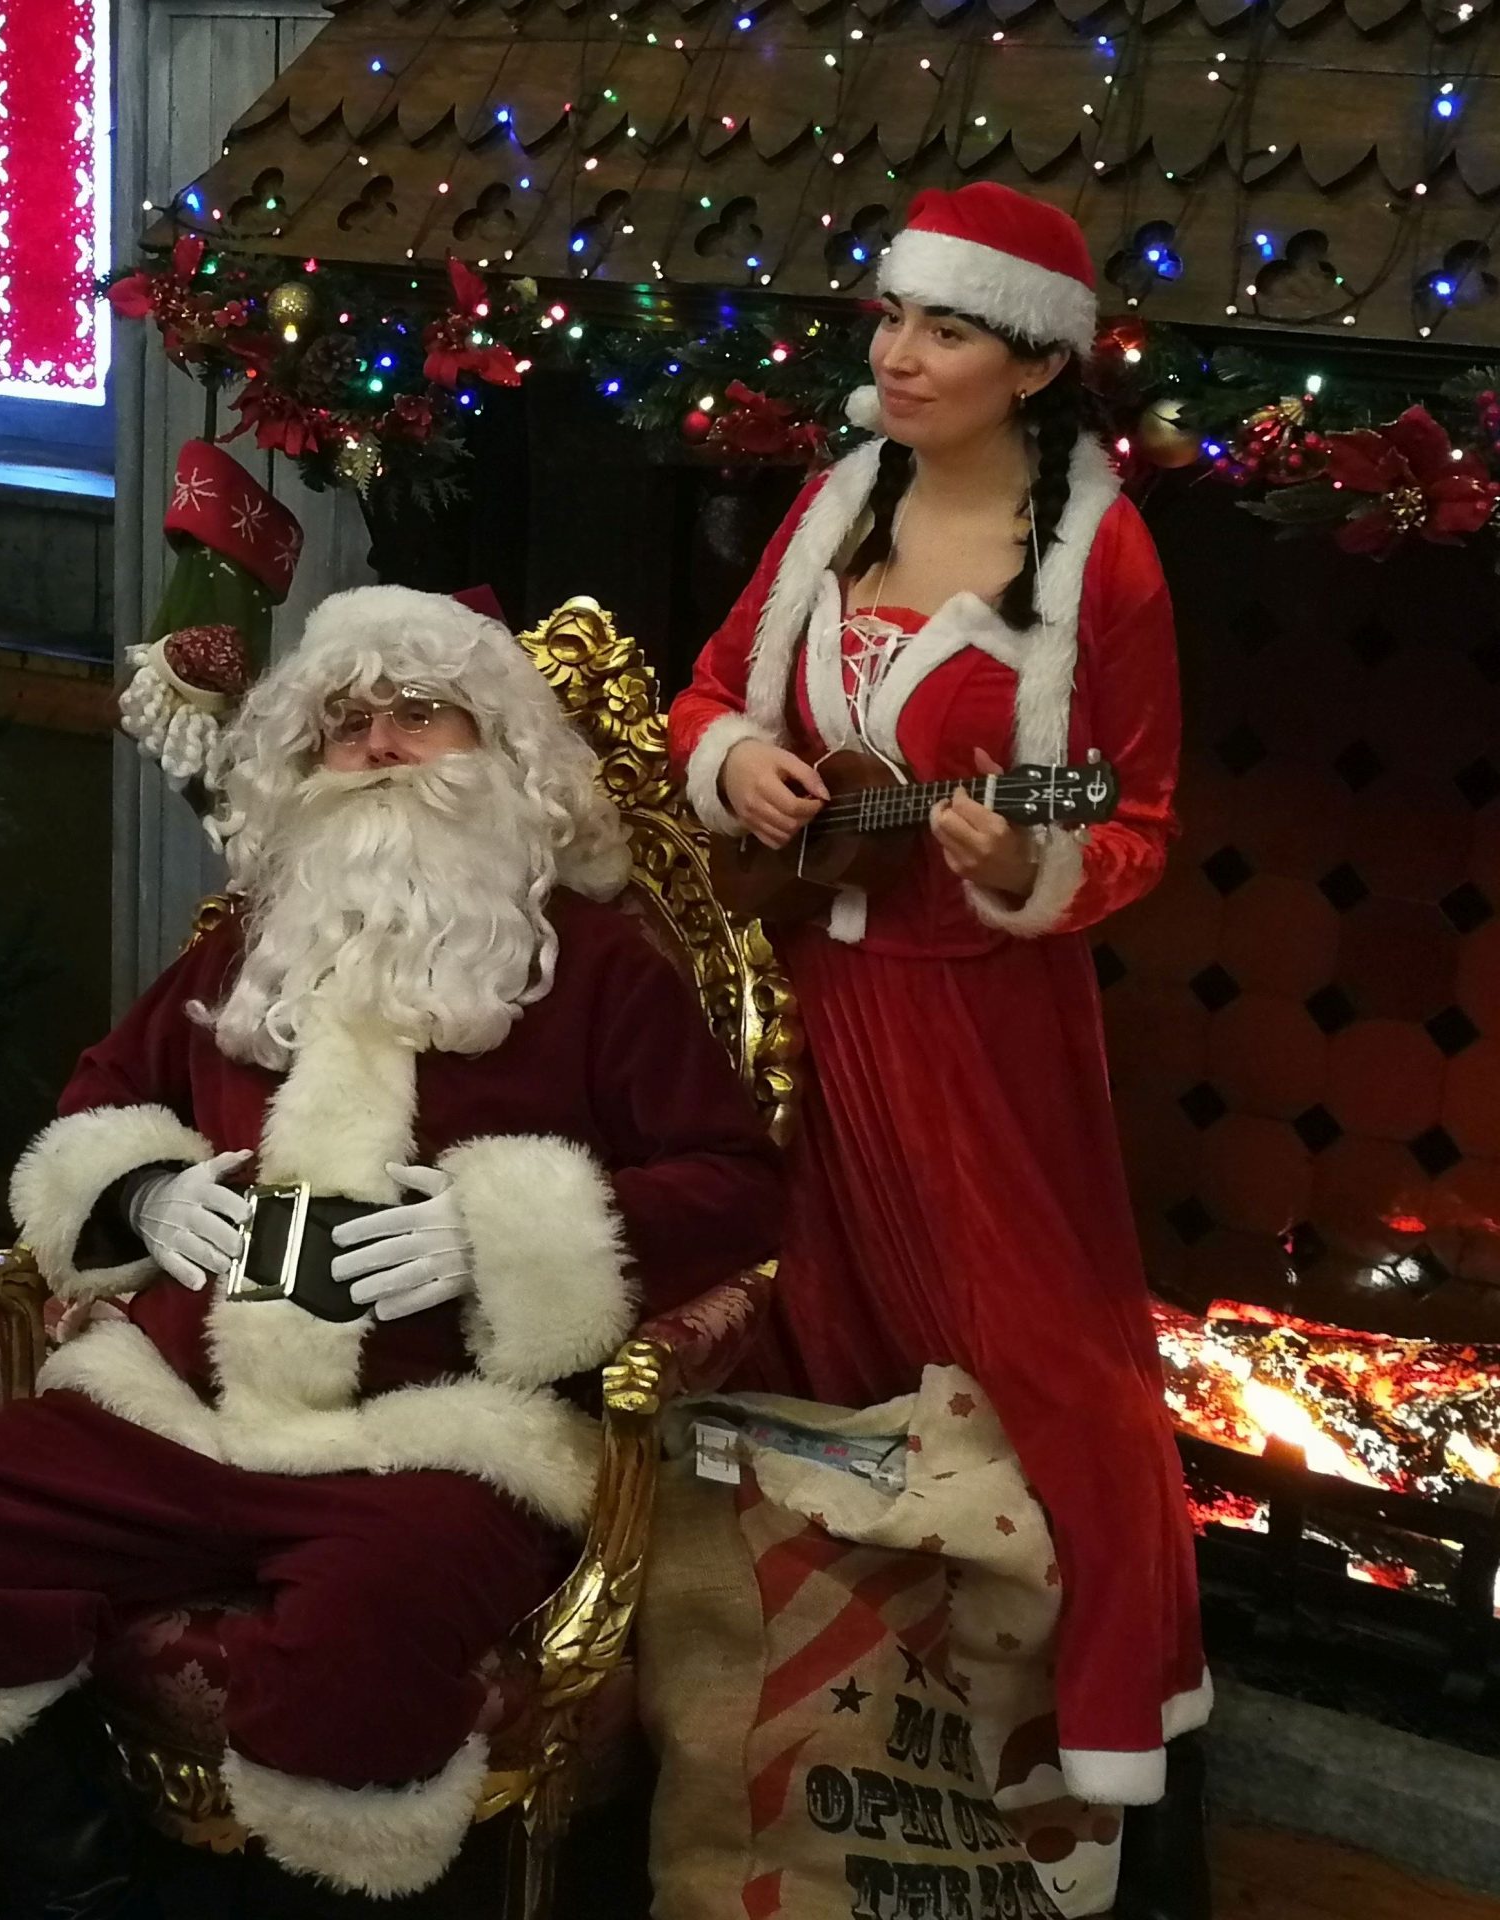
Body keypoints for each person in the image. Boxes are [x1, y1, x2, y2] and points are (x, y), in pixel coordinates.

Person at [0, 584, 785, 1913]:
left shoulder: (600, 969)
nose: (381, 745)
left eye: (421, 714)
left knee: (361, 1637)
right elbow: (100, 1100)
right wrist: (147, 1194)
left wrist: (492, 1230)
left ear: (501, 752)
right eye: (345, 722)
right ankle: (81, 1885)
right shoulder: (246, 946)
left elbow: (735, 1188)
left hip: (439, 1432)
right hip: (182, 1401)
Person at [666, 184, 1211, 1917]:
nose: (896, 359)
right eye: (891, 322)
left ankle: (1094, 1752)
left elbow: (1137, 811)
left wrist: (1025, 856)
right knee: (827, 1339)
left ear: (1036, 366)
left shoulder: (1103, 558)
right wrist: (736, 761)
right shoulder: (836, 503)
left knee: (1055, 1374)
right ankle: (878, 1730)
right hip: (805, 1010)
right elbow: (703, 695)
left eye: (943, 332)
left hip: (981, 1024)